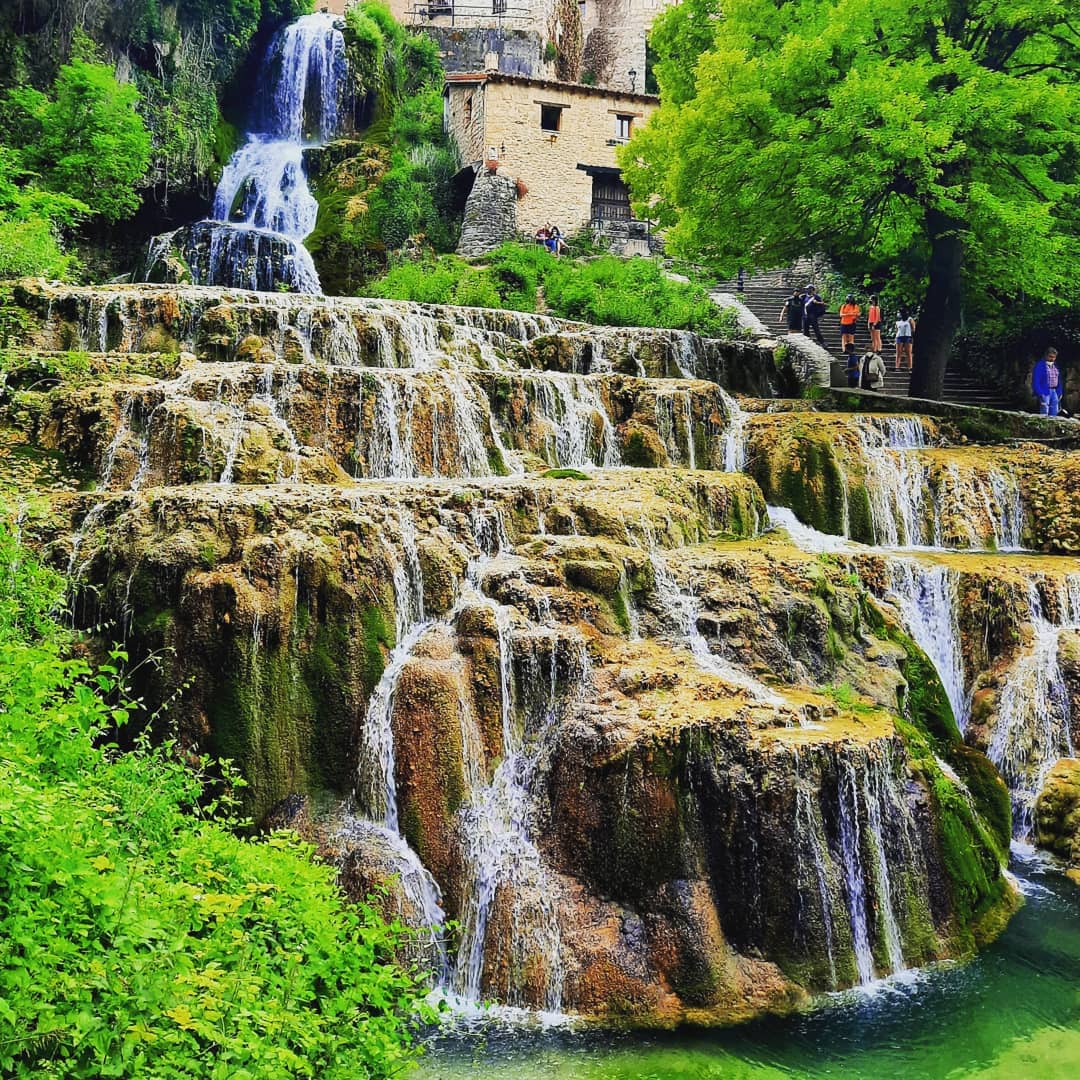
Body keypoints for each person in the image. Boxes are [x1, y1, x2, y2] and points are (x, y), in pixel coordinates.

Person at [1032, 347, 1062, 416]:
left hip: (1054, 391)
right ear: (1046, 355)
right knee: (1045, 411)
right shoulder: (1040, 365)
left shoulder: (1055, 366)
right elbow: (1036, 381)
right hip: (1045, 391)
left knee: (1055, 411)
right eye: (1050, 357)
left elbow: (1059, 380)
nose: (1052, 359)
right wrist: (1040, 393)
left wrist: (1060, 392)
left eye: (1054, 357)